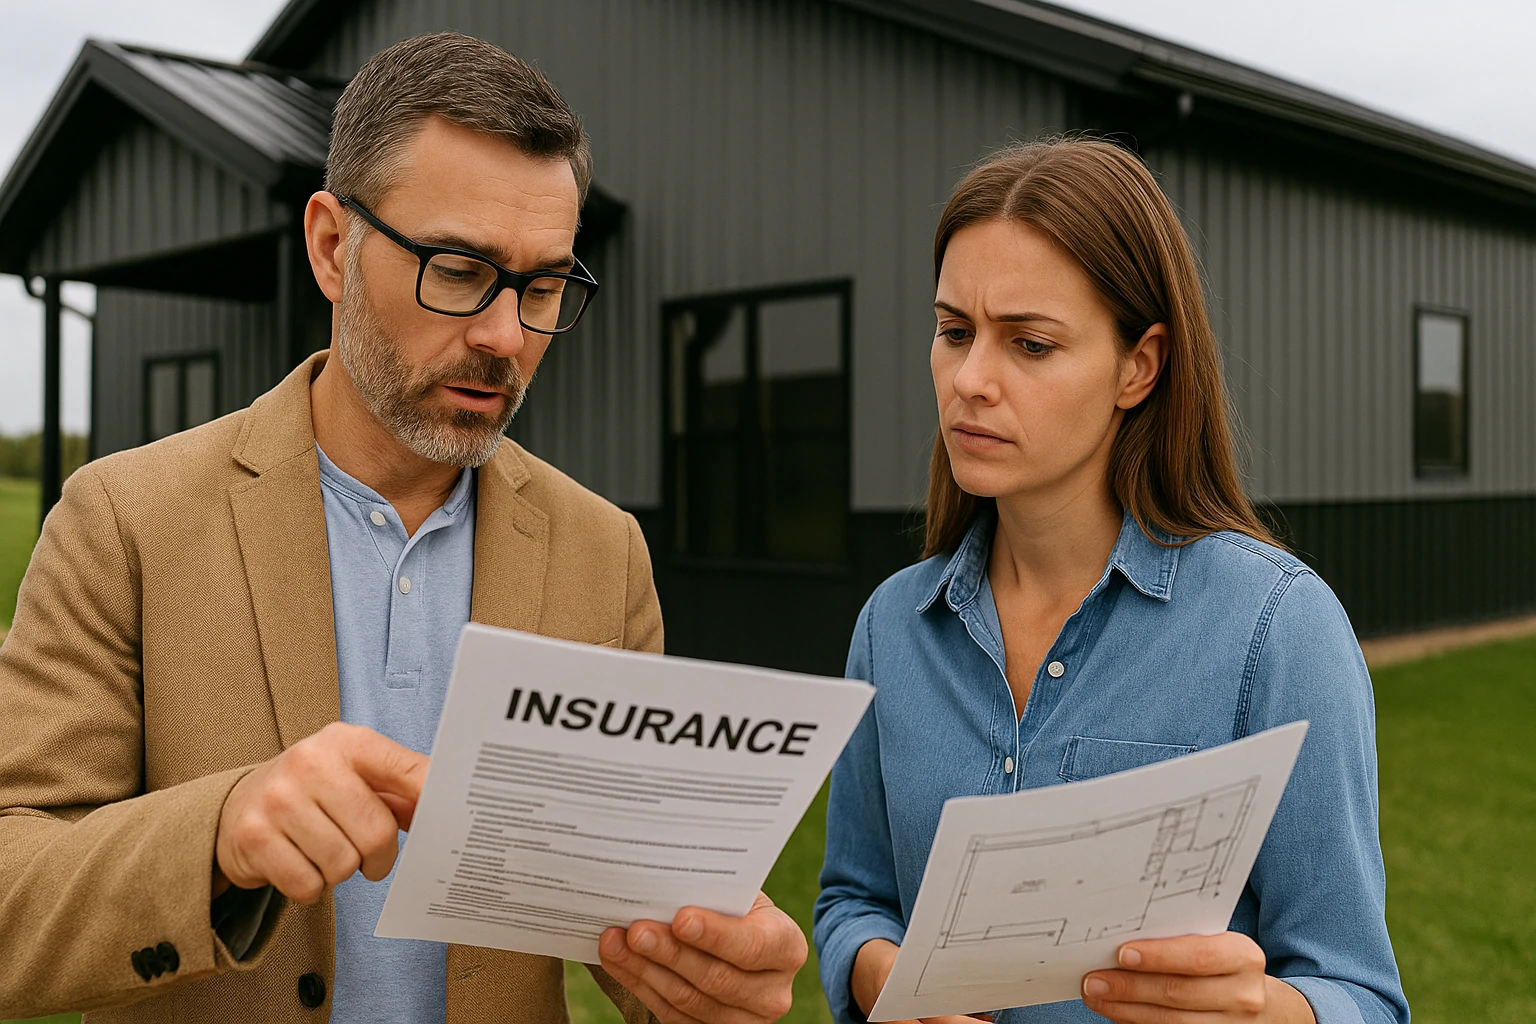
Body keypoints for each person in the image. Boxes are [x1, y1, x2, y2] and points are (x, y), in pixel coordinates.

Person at [0, 32, 803, 1024]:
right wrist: (217, 832)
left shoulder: (606, 553)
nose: (507, 336)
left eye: (545, 286)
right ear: (333, 246)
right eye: (460, 269)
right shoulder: (122, 522)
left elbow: (628, 920)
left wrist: (704, 980)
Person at [812, 139, 1410, 1024]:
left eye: (1031, 343)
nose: (970, 381)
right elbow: (850, 901)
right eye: (953, 332)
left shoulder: (1277, 629)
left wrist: (1265, 1011)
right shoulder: (891, 626)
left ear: (1141, 365)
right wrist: (880, 977)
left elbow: (1361, 990)